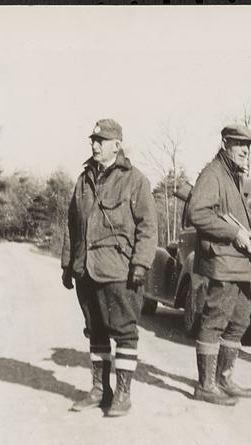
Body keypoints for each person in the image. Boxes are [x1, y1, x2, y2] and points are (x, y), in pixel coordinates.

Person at [61, 118, 157, 417]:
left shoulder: (135, 180)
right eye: (93, 140)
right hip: (85, 270)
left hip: (118, 270)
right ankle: (100, 390)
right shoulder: (83, 179)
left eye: (101, 141)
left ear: (118, 145)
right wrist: (67, 264)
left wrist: (141, 264)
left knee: (124, 332)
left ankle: (123, 395)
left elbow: (148, 227)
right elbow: (72, 224)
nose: (95, 145)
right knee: (96, 332)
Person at [185, 124, 251, 405]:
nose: (246, 152)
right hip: (222, 262)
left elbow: (231, 214)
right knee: (215, 319)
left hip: (239, 264)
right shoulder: (213, 174)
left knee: (240, 317)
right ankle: (206, 385)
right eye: (240, 145)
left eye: (249, 147)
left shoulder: (233, 176)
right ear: (225, 144)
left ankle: (223, 378)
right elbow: (198, 214)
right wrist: (235, 233)